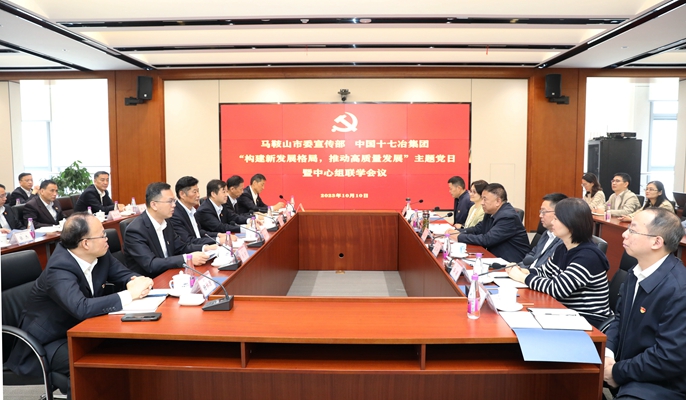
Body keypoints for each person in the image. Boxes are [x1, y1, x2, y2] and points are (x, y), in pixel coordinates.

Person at [5, 213, 154, 399]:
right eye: (102, 235)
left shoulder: (101, 255)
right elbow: (81, 308)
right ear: (85, 243)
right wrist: (129, 294)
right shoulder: (59, 268)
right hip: (47, 341)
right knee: (95, 363)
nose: (107, 238)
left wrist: (140, 281)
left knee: (129, 349)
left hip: (80, 329)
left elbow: (125, 275)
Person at [604, 208, 686, 398]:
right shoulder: (636, 272)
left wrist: (617, 372)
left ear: (656, 242)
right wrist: (607, 353)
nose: (624, 234)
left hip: (661, 383)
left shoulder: (679, 290)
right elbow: (618, 318)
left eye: (633, 230)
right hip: (629, 367)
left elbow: (668, 357)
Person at [507, 198, 612, 329]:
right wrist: (525, 271)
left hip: (587, 320)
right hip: (563, 312)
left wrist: (523, 277)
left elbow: (557, 289)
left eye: (556, 219)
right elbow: (545, 272)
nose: (552, 222)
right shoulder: (563, 248)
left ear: (571, 223)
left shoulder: (588, 256)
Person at [124, 182, 212, 278]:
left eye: (174, 201)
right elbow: (151, 264)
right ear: (154, 205)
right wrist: (186, 258)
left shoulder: (166, 222)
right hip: (150, 281)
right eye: (170, 201)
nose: (174, 205)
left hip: (169, 274)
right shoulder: (135, 231)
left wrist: (205, 248)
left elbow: (181, 247)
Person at [454, 183, 530, 262]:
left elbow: (487, 239)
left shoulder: (508, 217)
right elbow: (478, 229)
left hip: (511, 262)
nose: (482, 203)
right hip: (495, 257)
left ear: (498, 201)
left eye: (485, 199)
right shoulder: (490, 212)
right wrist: (457, 232)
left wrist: (459, 237)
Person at [170, 176, 225, 246]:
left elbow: (198, 232)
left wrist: (218, 235)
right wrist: (217, 240)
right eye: (194, 192)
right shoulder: (175, 214)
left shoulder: (192, 210)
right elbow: (188, 240)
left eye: (198, 191)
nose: (198, 195)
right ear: (182, 194)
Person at [518, 193, 567, 269]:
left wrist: (528, 273)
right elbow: (532, 254)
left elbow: (548, 268)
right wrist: (519, 267)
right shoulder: (546, 233)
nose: (540, 215)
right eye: (540, 212)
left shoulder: (563, 241)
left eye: (544, 212)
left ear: (558, 213)